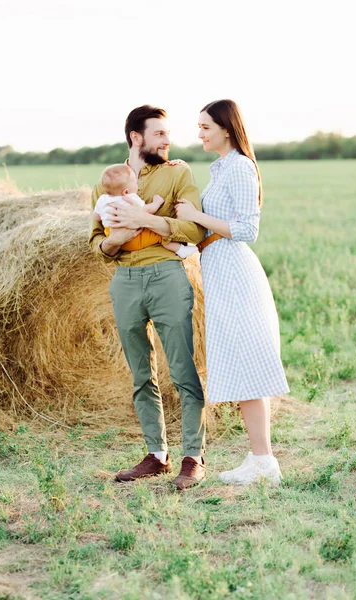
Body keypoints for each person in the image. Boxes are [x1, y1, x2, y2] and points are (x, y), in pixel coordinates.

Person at [89, 105, 206, 490]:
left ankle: (193, 457)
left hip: (167, 276)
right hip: (123, 279)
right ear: (136, 138)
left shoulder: (178, 173)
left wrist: (146, 222)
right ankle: (156, 455)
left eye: (167, 134)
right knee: (142, 374)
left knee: (182, 369)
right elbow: (95, 241)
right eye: (159, 134)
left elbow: (194, 227)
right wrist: (113, 242)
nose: (167, 141)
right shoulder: (107, 183)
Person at [175, 99, 290, 486]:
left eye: (205, 126)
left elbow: (246, 230)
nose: (200, 132)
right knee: (244, 367)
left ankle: (264, 462)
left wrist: (195, 217)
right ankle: (261, 460)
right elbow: (212, 230)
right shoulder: (221, 167)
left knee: (250, 365)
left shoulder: (240, 166)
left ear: (226, 128)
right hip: (220, 270)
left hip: (236, 274)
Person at [94, 163, 197, 258]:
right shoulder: (130, 198)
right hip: (133, 240)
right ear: (126, 191)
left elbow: (96, 217)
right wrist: (157, 202)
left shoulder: (102, 199)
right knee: (160, 236)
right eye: (134, 182)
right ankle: (180, 249)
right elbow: (146, 211)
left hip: (112, 235)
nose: (137, 184)